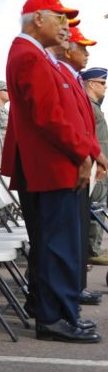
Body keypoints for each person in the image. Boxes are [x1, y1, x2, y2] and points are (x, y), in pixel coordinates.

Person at [2, 0, 102, 343]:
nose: (65, 26)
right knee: (57, 246)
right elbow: (50, 117)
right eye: (59, 18)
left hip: (57, 164)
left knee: (59, 244)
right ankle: (55, 319)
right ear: (37, 19)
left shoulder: (35, 55)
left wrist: (87, 152)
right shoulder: (28, 55)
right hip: (51, 165)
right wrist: (83, 153)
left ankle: (59, 313)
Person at [56, 24, 104, 306]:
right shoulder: (60, 74)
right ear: (68, 48)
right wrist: (88, 154)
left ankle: (75, 288)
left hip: (80, 163)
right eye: (82, 48)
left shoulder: (70, 78)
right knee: (61, 235)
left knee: (76, 228)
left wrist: (95, 153)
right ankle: (57, 299)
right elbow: (60, 122)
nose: (86, 54)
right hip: (67, 166)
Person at [81, 67, 108, 265]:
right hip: (93, 165)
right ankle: (92, 250)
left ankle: (93, 248)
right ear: (91, 83)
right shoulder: (88, 105)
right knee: (95, 208)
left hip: (99, 164)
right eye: (102, 83)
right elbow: (89, 137)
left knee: (98, 206)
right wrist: (99, 159)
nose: (105, 87)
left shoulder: (94, 105)